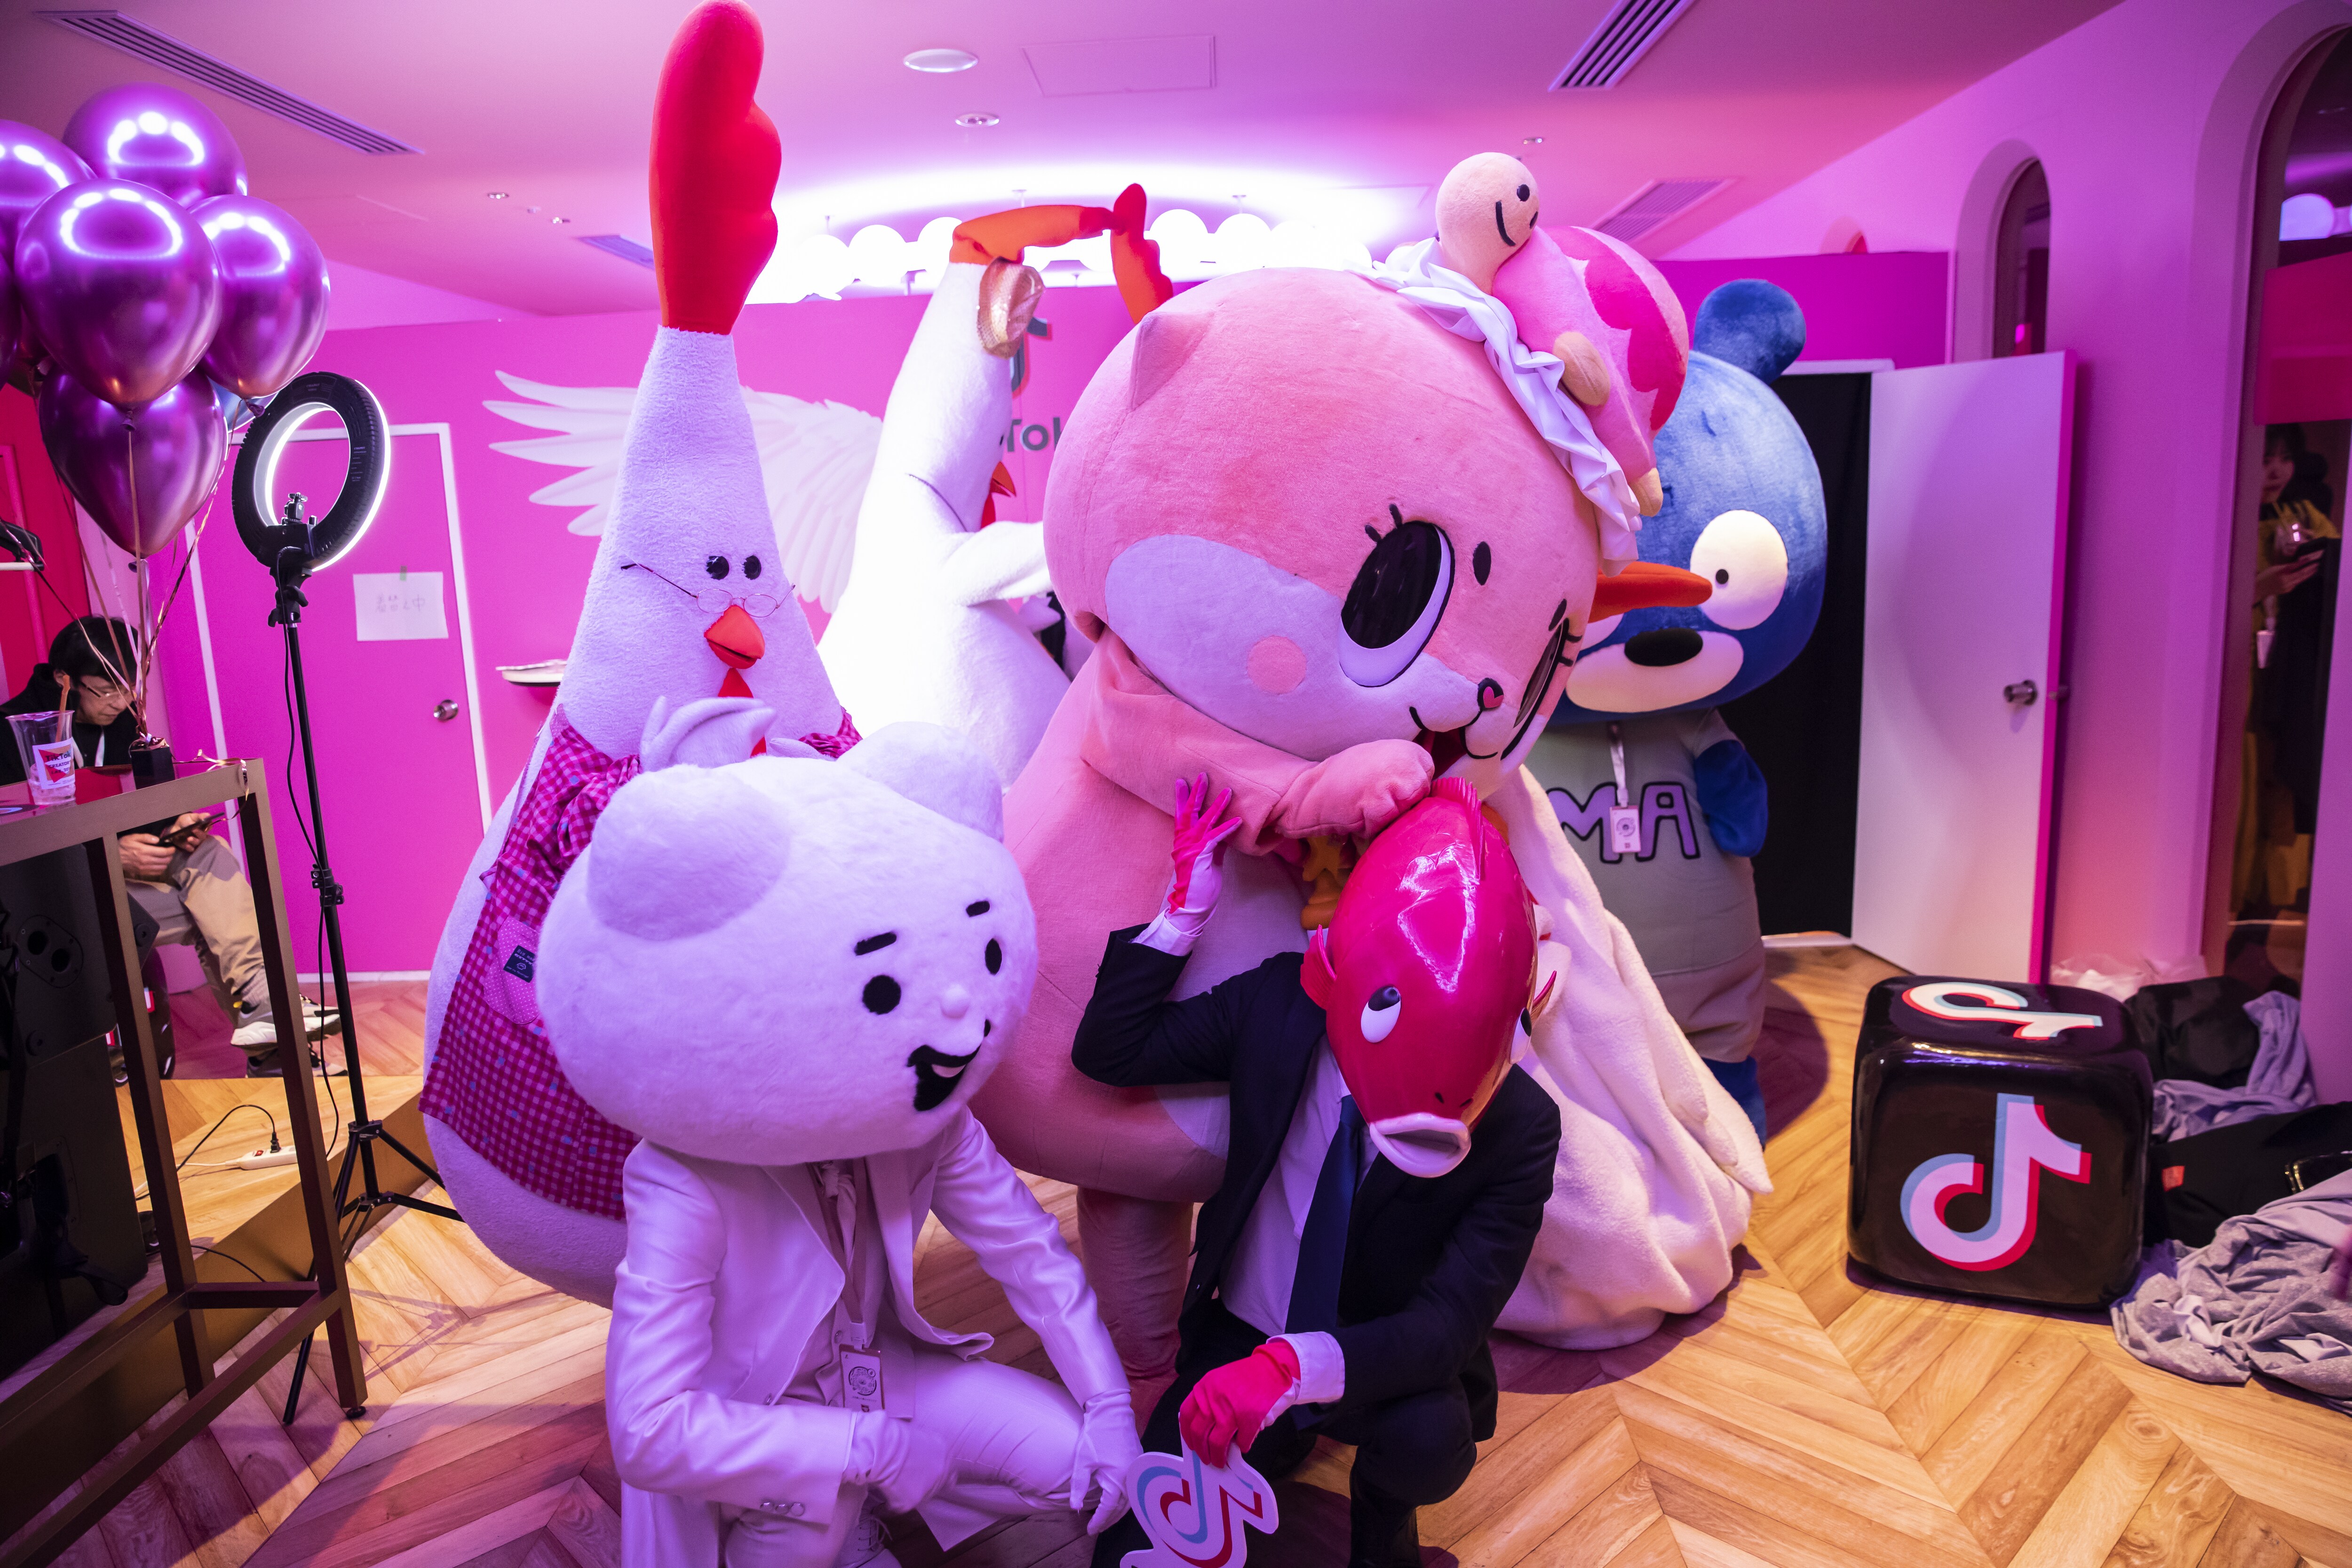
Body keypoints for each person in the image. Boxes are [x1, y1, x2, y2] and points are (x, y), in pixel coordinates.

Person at [1076, 776, 1560, 1568]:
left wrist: (1294, 1369)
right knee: (1130, 1554)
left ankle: (1382, 1510)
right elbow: (1111, 1051)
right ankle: (1274, 1442)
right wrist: (1183, 912)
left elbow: (1445, 1328)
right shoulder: (1277, 1005)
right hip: (1238, 1333)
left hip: (1376, 1356)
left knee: (1428, 1437)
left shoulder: (1520, 1127)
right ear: (1332, 973)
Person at [1, 616, 336, 1070]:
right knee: (214, 913)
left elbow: (139, 812)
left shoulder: (123, 724)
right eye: (106, 690)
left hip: (125, 881)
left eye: (129, 688)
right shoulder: (13, 733)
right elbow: (18, 854)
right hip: (54, 908)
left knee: (209, 852)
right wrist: (109, 856)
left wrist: (176, 822)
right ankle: (275, 1046)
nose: (122, 703)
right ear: (64, 678)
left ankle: (266, 1012)